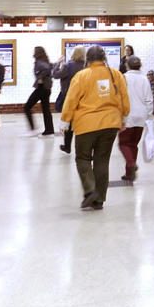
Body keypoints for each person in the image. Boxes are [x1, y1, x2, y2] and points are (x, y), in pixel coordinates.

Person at [60, 46, 130, 211]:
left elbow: (71, 99)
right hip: (110, 123)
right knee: (102, 160)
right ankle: (99, 200)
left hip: (86, 124)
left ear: (88, 60)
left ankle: (90, 190)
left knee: (83, 158)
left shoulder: (82, 76)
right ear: (104, 58)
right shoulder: (115, 74)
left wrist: (65, 120)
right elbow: (124, 97)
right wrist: (124, 117)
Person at [118, 56, 153, 182]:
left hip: (127, 116)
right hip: (141, 116)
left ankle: (131, 164)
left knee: (123, 143)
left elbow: (119, 98)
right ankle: (129, 174)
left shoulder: (123, 78)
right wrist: (148, 116)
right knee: (133, 144)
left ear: (127, 65)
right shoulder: (144, 79)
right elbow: (149, 99)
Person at [53, 45, 86, 153]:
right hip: (83, 97)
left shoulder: (68, 66)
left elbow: (55, 75)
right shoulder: (87, 66)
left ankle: (67, 146)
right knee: (82, 121)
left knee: (69, 121)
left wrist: (58, 63)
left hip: (69, 96)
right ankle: (82, 147)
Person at [24, 46, 55, 136]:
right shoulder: (45, 61)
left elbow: (47, 69)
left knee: (27, 107)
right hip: (47, 88)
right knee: (46, 109)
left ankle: (33, 129)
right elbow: (51, 67)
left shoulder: (39, 62)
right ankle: (49, 130)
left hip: (41, 88)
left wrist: (40, 77)